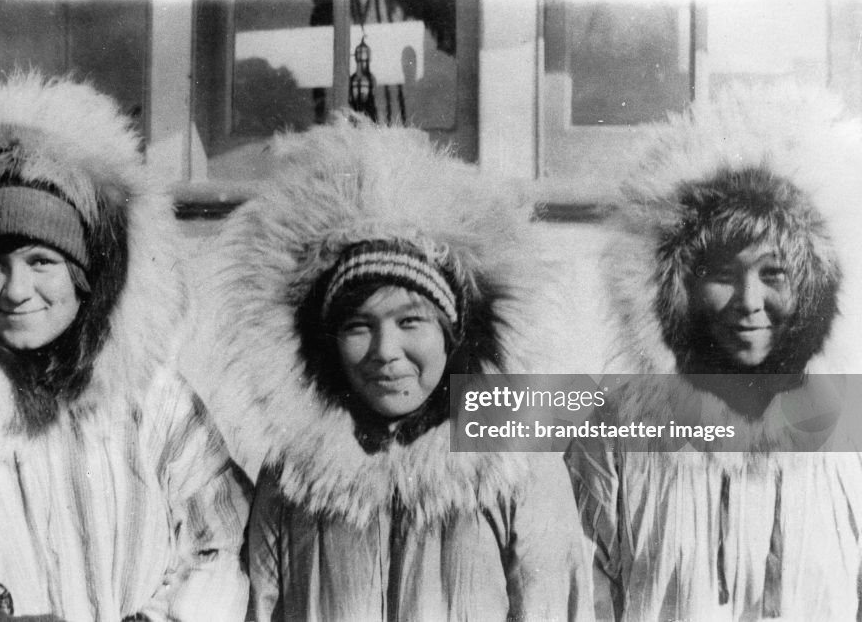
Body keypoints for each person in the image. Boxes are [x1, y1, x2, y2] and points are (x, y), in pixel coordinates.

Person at [0, 71, 248, 621]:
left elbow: (224, 545)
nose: (16, 291)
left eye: (41, 261)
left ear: (84, 274)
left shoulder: (155, 404)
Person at [191, 117, 593, 621]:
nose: (386, 350)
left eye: (410, 321)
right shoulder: (294, 480)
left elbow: (555, 606)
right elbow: (262, 608)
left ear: (451, 333)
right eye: (359, 326)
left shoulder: (515, 468)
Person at [566, 84, 862, 620]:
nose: (749, 303)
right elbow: (587, 594)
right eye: (723, 275)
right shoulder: (614, 435)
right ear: (679, 285)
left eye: (774, 274)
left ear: (817, 286)